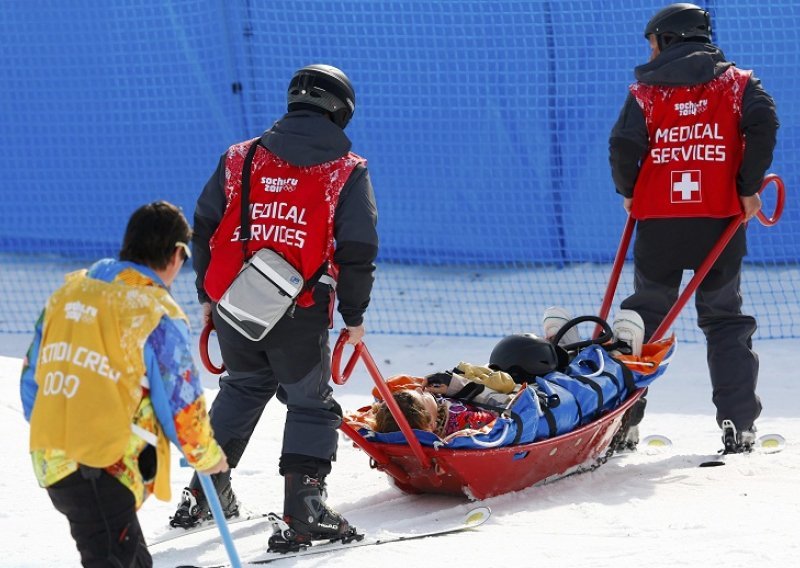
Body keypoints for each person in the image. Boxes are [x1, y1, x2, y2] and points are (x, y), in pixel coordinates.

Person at [173, 64, 378, 548]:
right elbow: (357, 248)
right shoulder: (347, 170)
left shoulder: (239, 158)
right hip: (298, 308)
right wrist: (354, 316)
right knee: (310, 404)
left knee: (243, 387)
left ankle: (204, 491)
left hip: (233, 301)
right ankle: (305, 509)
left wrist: (207, 296)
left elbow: (204, 226)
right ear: (342, 110)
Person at [608, 3, 779, 453]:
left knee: (642, 321)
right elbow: (764, 125)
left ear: (668, 39)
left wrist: (629, 189)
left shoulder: (645, 91)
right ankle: (738, 424)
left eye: (653, 41)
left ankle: (622, 423)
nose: (650, 50)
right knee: (724, 319)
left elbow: (623, 143)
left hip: (660, 219)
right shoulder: (740, 83)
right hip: (718, 218)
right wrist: (748, 188)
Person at [20, 201, 228, 568]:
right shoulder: (154, 312)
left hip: (53, 459)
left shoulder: (67, 295)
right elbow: (181, 404)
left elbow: (30, 381)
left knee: (125, 555)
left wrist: (62, 426)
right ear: (178, 254)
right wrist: (206, 456)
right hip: (104, 465)